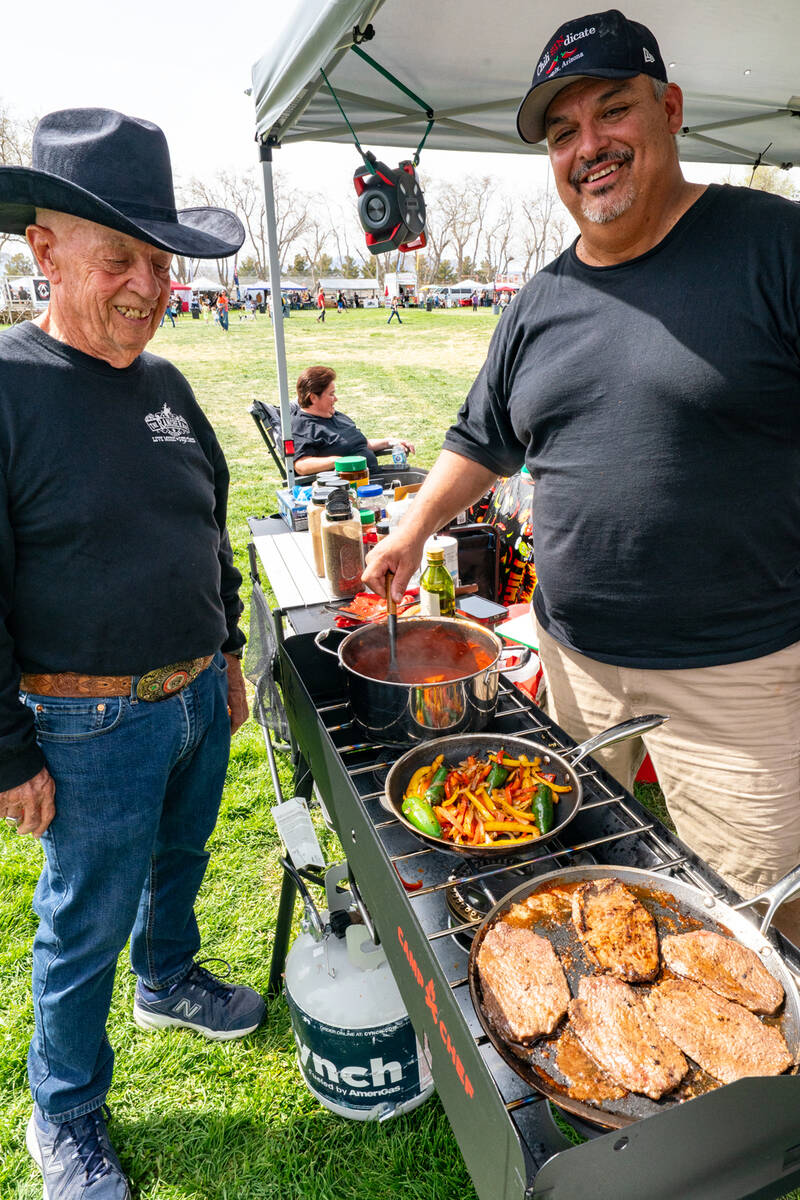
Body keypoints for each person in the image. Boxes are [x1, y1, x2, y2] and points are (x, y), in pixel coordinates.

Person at [363, 9, 800, 943]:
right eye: (563, 133)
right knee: (578, 882)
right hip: (573, 663)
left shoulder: (773, 246)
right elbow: (483, 435)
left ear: (670, 109)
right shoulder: (539, 302)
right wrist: (412, 524)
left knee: (762, 923)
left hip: (741, 677)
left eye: (613, 112)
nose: (588, 146)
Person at [0, 107, 264, 1199]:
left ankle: (169, 981)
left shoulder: (165, 385)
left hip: (197, 696)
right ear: (44, 249)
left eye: (158, 263)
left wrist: (231, 650)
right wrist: (8, 750)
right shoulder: (7, 386)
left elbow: (208, 515)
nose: (150, 287)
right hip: (85, 723)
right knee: (82, 924)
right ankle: (61, 1110)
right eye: (122, 259)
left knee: (180, 864)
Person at [292, 365, 414, 476]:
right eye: (331, 394)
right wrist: (339, 461)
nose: (336, 399)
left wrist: (390, 442)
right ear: (313, 397)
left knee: (424, 479)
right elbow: (301, 465)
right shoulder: (303, 426)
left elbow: (361, 444)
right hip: (349, 484)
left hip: (372, 476)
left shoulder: (336, 416)